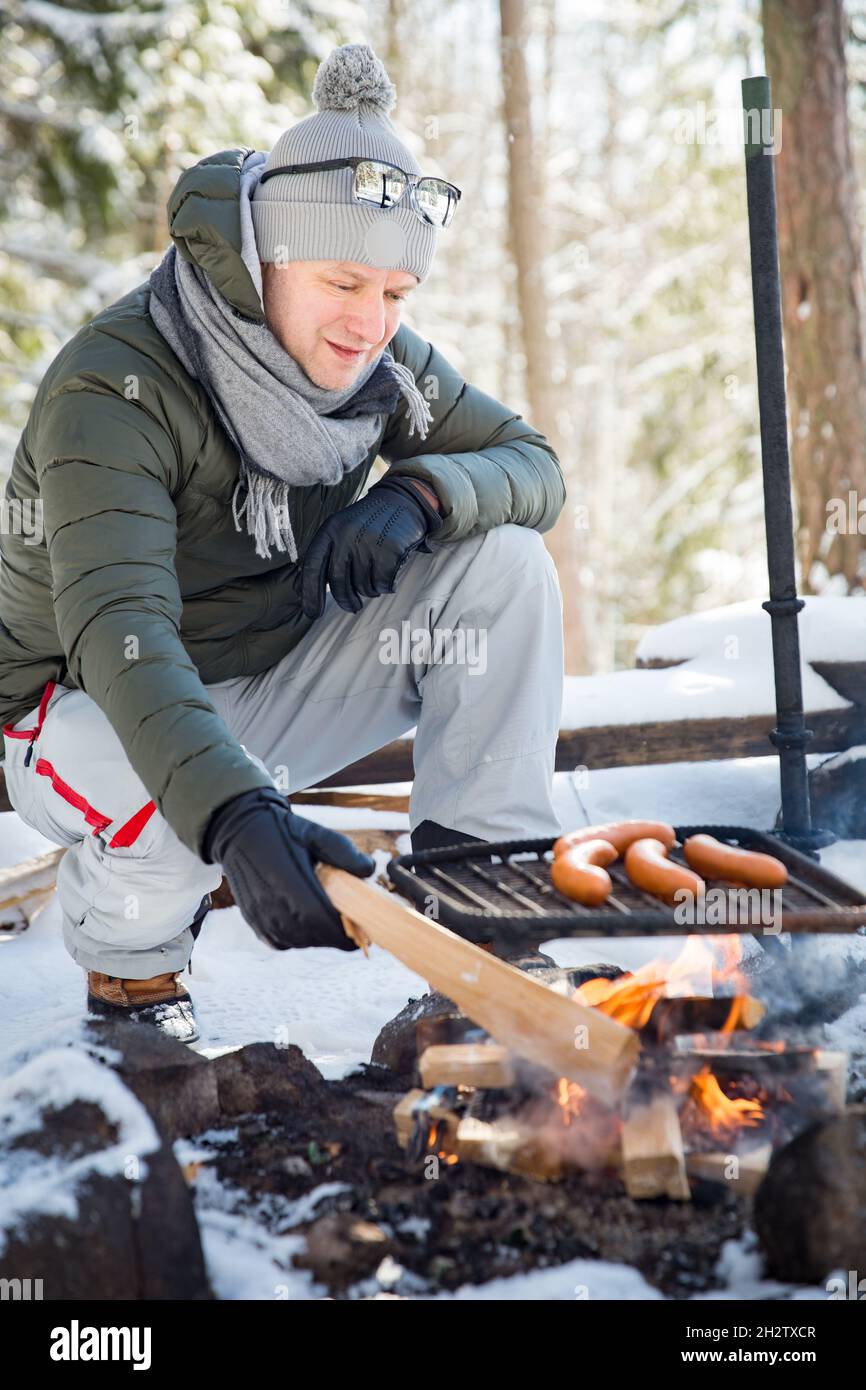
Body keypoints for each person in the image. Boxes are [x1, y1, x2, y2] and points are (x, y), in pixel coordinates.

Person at [0, 43, 566, 1044]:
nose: (367, 324)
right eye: (343, 281)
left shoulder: (381, 364)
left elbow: (531, 464)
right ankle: (133, 992)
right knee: (173, 819)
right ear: (264, 254)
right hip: (79, 700)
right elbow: (119, 630)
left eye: (394, 294)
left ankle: (482, 937)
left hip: (269, 669)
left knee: (504, 564)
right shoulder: (117, 385)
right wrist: (234, 813)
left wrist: (425, 496)